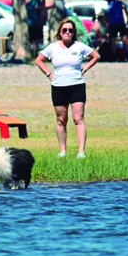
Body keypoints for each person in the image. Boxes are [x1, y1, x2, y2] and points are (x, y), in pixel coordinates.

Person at [35, 17, 99, 158]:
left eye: (70, 30)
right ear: (60, 32)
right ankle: (62, 151)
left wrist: (85, 68)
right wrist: (48, 73)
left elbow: (95, 56)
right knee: (61, 119)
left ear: (74, 32)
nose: (68, 32)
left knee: (78, 118)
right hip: (59, 87)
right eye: (65, 30)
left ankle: (81, 152)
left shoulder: (79, 46)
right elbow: (39, 60)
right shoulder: (53, 47)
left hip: (77, 85)